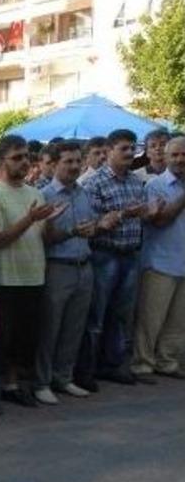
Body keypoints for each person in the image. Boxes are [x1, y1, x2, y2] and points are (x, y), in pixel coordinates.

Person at [75, 129, 162, 390]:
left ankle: (113, 365)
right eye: (123, 149)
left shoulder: (136, 181)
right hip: (105, 254)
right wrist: (124, 214)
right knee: (97, 316)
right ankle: (88, 370)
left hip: (130, 254)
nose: (129, 154)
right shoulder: (95, 183)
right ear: (109, 150)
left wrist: (149, 212)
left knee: (121, 315)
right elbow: (92, 224)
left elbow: (141, 215)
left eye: (132, 149)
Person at [34, 141, 118, 405]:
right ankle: (42, 381)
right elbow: (44, 239)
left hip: (84, 265)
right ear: (54, 164)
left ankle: (63, 376)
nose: (73, 166)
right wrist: (72, 231)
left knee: (74, 327)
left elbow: (89, 228)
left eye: (76, 161)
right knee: (50, 328)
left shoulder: (83, 193)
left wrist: (101, 225)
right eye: (67, 161)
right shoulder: (44, 195)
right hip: (58, 267)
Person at [0, 135, 61, 407]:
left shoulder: (34, 192)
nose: (24, 162)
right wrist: (30, 218)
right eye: (17, 157)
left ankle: (18, 385)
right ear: (1, 161)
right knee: (4, 338)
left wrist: (50, 222)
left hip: (34, 274)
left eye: (27, 156)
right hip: (7, 277)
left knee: (27, 337)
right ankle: (1, 386)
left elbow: (44, 236)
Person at [133, 136, 185, 379]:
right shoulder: (155, 186)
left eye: (184, 154)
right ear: (165, 157)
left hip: (182, 263)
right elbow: (161, 220)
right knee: (150, 320)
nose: (180, 159)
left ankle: (168, 361)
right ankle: (143, 363)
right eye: (174, 155)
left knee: (177, 321)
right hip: (159, 263)